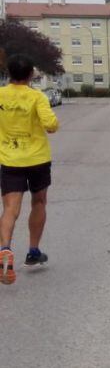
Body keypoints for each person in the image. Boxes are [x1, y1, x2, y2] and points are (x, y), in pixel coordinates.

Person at [0, 55, 60, 285]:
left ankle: (5, 249)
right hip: (37, 159)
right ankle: (33, 251)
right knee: (39, 202)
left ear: (10, 74)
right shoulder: (37, 97)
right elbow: (51, 126)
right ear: (29, 75)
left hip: (10, 160)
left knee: (10, 208)